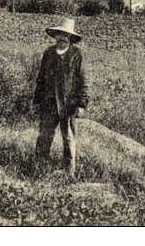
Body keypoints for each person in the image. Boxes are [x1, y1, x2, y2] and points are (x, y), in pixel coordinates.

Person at [33, 17, 89, 176]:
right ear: (56, 35)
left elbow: (83, 80)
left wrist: (81, 104)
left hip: (68, 104)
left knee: (69, 139)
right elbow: (41, 78)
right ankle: (39, 169)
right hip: (49, 103)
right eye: (60, 35)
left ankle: (69, 172)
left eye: (66, 36)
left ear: (71, 38)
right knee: (44, 137)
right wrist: (37, 100)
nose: (62, 38)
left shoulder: (77, 55)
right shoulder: (49, 53)